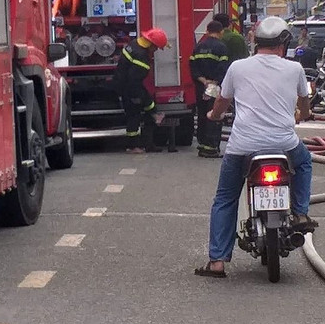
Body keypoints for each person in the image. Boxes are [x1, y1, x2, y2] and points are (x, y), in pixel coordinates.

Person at [194, 16, 313, 279]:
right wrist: (299, 115)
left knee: (225, 199)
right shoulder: (294, 69)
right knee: (304, 162)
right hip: (284, 144)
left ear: (255, 41)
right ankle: (301, 213)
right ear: (283, 44)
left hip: (243, 147)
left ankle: (217, 263)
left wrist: (214, 116)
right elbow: (304, 107)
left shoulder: (238, 68)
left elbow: (222, 103)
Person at [112, 28, 168, 154]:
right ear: (151, 44)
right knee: (134, 116)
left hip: (124, 85)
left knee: (149, 107)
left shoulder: (134, 44)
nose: (156, 50)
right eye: (157, 47)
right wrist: (138, 98)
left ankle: (149, 140)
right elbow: (134, 81)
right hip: (131, 89)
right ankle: (133, 146)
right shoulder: (141, 57)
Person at [189, 22, 229, 158]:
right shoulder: (221, 47)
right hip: (214, 86)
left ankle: (202, 143)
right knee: (214, 113)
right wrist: (214, 82)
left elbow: (193, 66)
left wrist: (203, 80)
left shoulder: (199, 47)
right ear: (221, 31)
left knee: (201, 113)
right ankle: (211, 147)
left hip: (201, 85)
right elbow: (223, 68)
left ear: (207, 30)